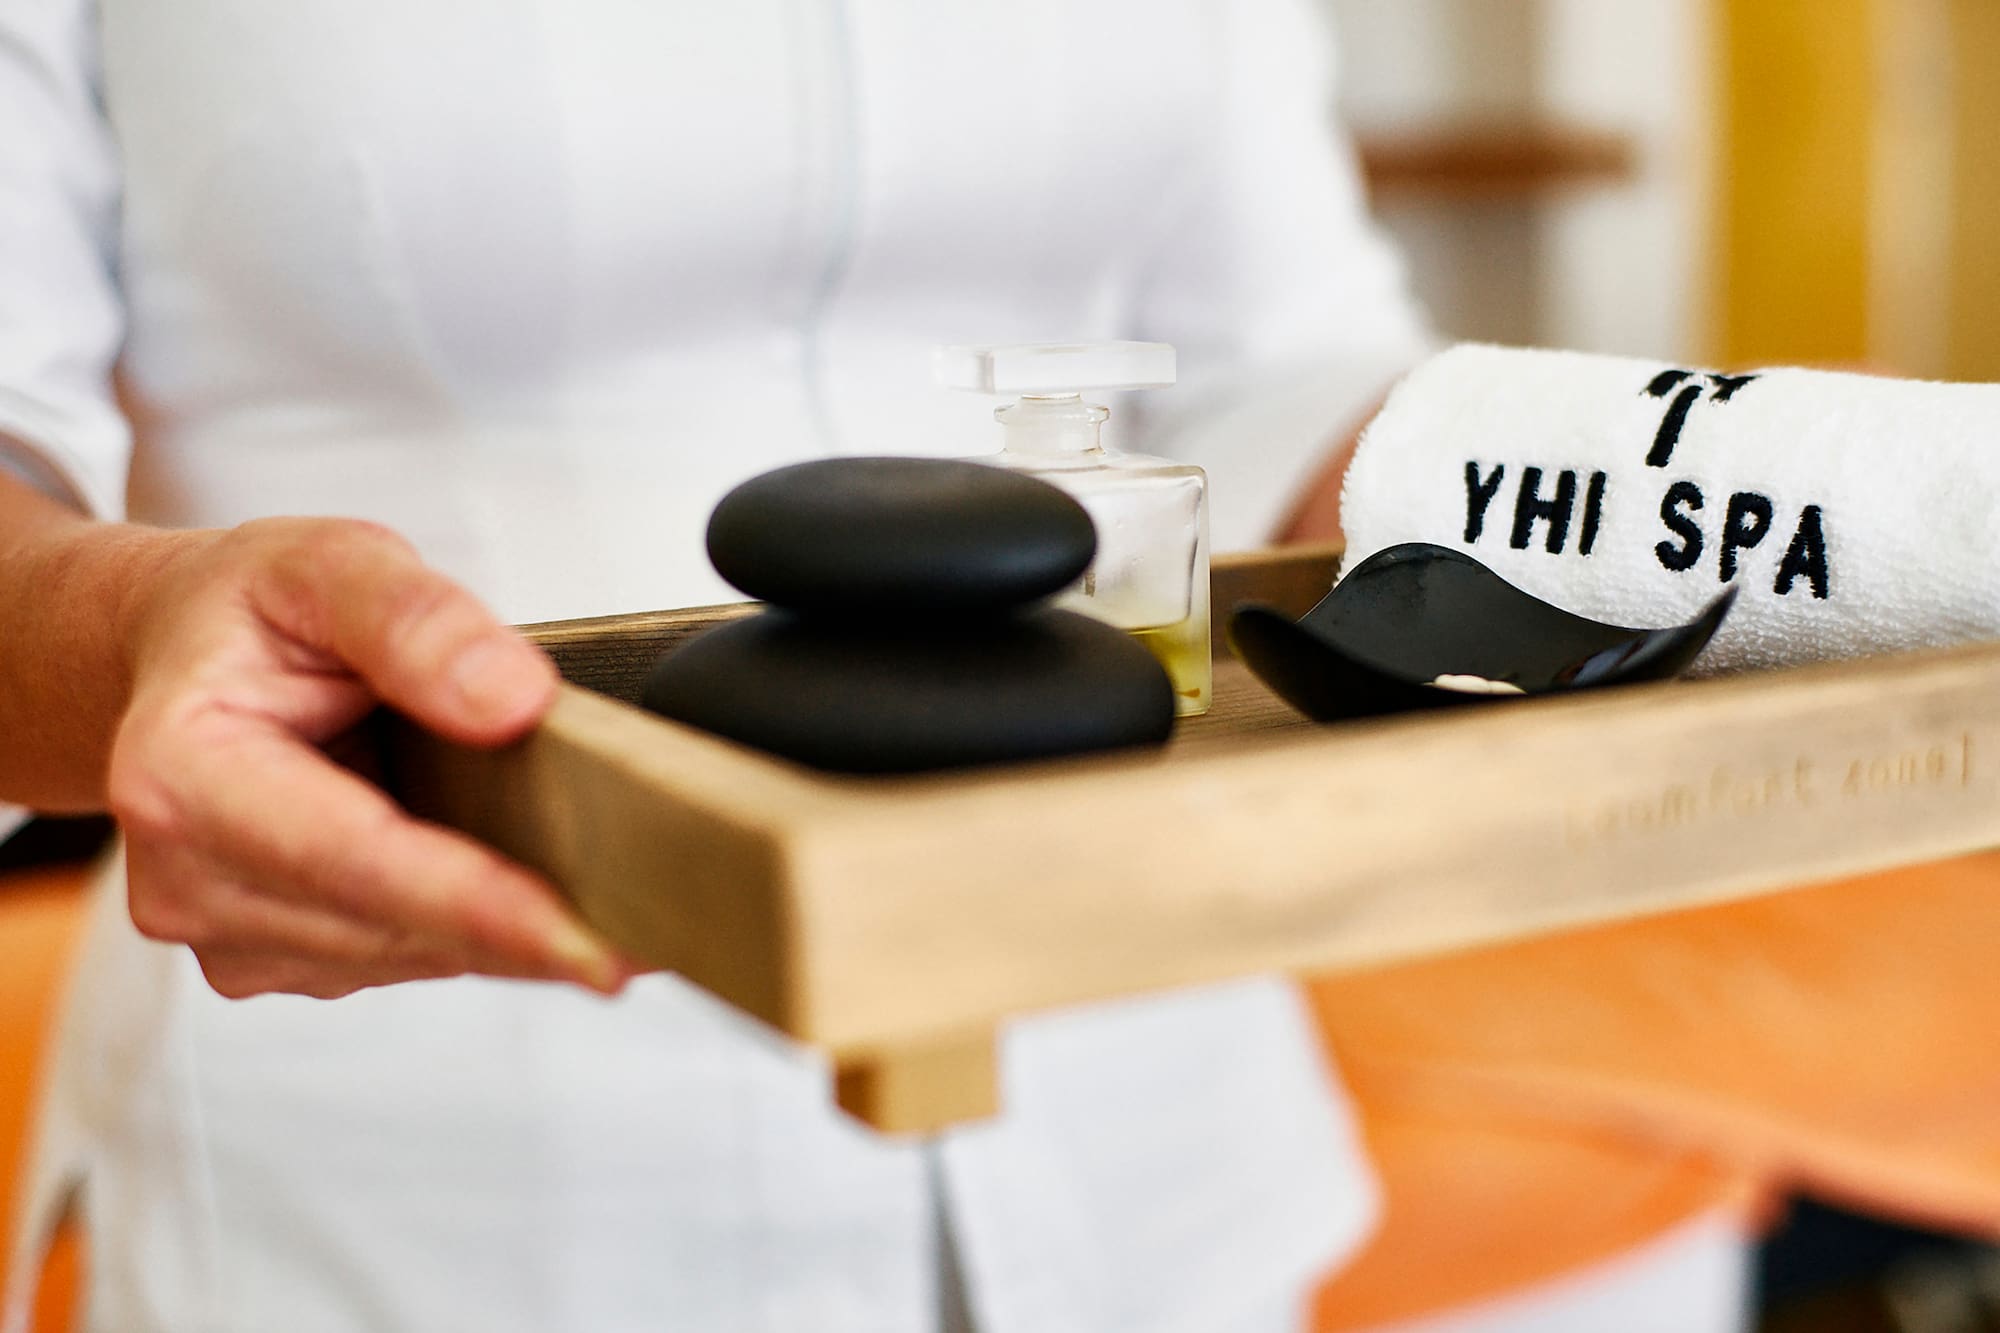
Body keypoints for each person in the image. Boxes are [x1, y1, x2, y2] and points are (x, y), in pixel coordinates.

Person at [0, 2, 1750, 1330]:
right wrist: (135, 628)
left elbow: (1282, 373)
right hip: (430, 1172)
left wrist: (1711, 504)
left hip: (1149, 1126)